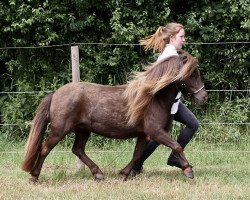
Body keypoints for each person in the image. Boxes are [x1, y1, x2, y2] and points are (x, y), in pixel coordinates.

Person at [131, 22, 199, 176]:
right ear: (173, 37)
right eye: (182, 36)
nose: (184, 40)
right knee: (162, 134)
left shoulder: (173, 53)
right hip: (164, 104)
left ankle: (139, 165)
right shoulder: (170, 55)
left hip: (172, 103)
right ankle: (137, 165)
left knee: (180, 128)